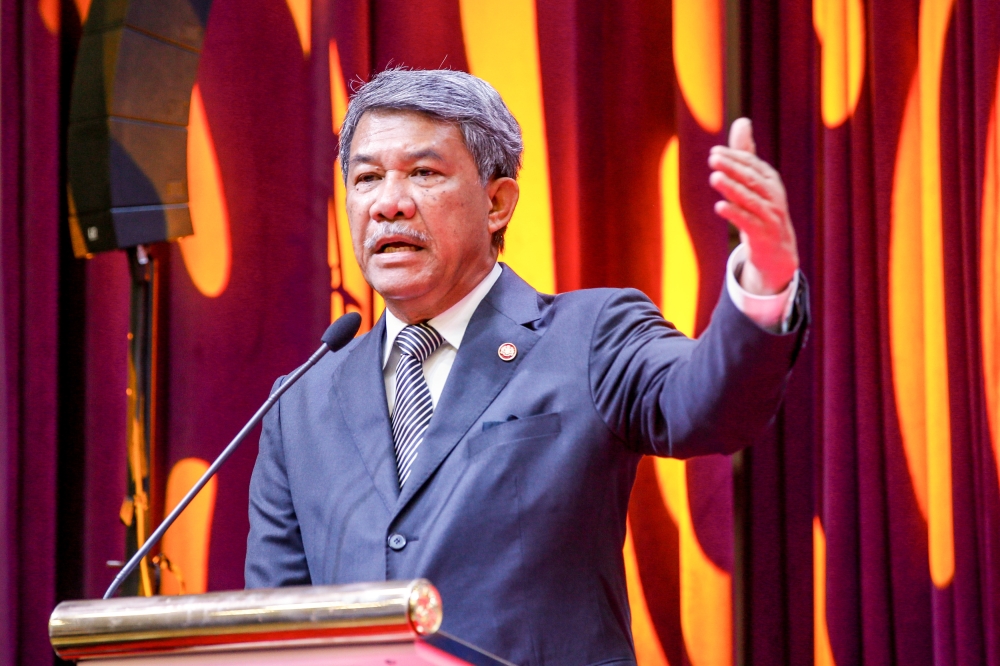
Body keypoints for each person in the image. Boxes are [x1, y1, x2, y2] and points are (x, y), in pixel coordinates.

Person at [245, 68, 807, 666]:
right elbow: (276, 629)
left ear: (496, 203)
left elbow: (711, 406)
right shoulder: (301, 402)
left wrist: (764, 281)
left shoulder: (590, 336)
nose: (388, 203)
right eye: (366, 178)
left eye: (423, 173)